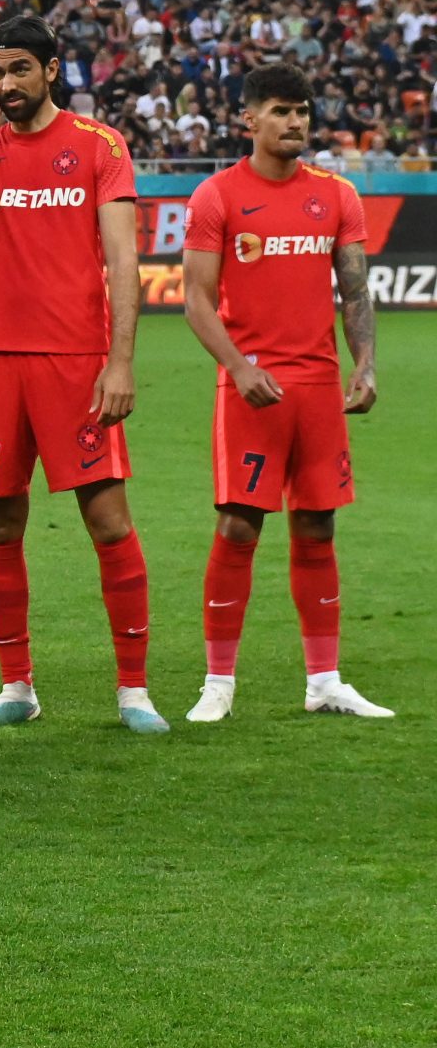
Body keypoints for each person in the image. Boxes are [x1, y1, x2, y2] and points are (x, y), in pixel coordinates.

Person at [0, 15, 165, 735]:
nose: (8, 83)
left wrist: (119, 361)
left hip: (76, 362)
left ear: (52, 71)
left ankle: (134, 690)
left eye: (22, 69)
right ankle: (17, 686)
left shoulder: (98, 146)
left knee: (108, 519)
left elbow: (123, 262)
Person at [179, 63, 386, 722]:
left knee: (318, 525)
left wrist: (366, 365)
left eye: (301, 110)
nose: (295, 122)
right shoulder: (218, 196)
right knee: (240, 525)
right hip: (252, 389)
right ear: (249, 120)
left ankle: (324, 682)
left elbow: (354, 290)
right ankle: (218, 683)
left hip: (319, 388)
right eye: (280, 110)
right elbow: (196, 301)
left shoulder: (337, 195)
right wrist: (238, 368)